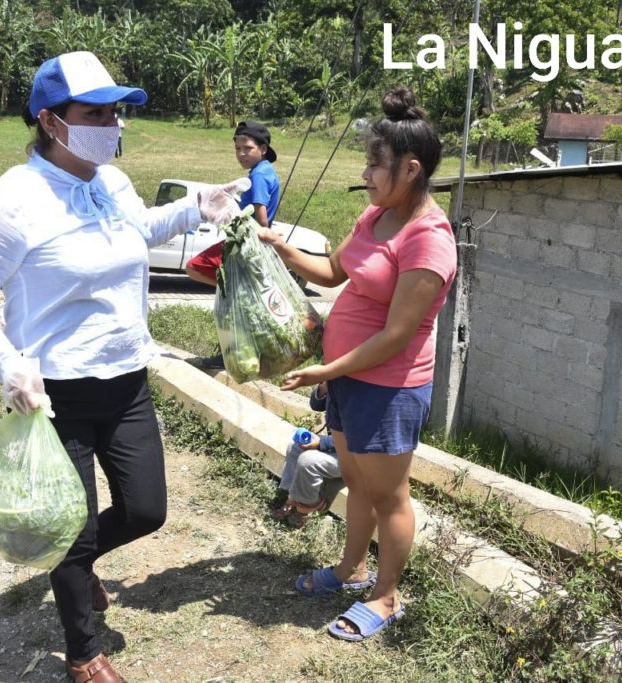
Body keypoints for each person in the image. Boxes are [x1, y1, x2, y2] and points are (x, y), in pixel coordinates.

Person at [0, 51, 243, 683]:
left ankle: (73, 565)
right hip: (55, 394)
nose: (114, 124)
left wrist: (196, 209)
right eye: (96, 113)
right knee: (71, 529)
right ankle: (82, 650)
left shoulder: (111, 183)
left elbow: (136, 231)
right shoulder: (9, 201)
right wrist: (5, 362)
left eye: (117, 112)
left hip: (126, 376)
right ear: (50, 121)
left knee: (145, 509)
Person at [258, 86, 456, 642]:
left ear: (411, 169)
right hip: (348, 377)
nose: (366, 174)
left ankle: (387, 595)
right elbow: (331, 271)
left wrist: (326, 370)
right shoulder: (376, 216)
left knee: (389, 495)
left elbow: (398, 335)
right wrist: (276, 244)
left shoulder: (429, 240)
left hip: (388, 386)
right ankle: (352, 570)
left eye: (376, 164)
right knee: (357, 484)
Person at [185, 120, 280, 368]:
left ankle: (228, 352)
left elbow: (260, 216)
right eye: (237, 148)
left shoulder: (258, 176)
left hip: (244, 242)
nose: (241, 154)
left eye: (247, 148)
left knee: (194, 267)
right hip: (252, 244)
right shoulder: (268, 171)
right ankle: (247, 350)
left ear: (263, 148)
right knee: (246, 304)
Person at [273, 382, 343, 528]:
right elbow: (316, 405)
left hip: (356, 457)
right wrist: (326, 384)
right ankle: (291, 498)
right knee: (295, 446)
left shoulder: (365, 392)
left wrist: (321, 442)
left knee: (308, 461)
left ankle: (306, 508)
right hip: (337, 446)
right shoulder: (342, 380)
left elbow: (358, 439)